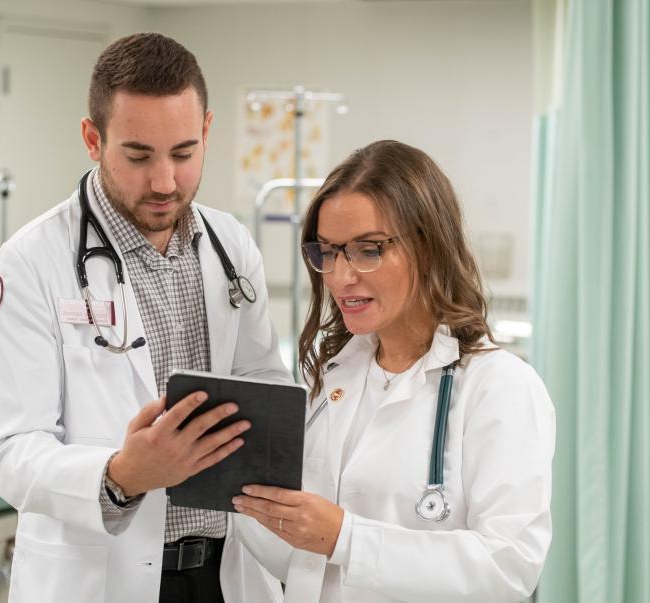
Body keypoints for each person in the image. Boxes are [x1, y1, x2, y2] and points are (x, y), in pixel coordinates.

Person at [0, 33, 288, 603]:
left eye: (185, 153)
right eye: (139, 156)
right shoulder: (28, 264)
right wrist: (123, 474)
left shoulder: (232, 246)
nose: (165, 182)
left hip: (227, 572)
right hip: (101, 578)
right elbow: (8, 452)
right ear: (93, 139)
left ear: (208, 132)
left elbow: (266, 383)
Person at [231, 140, 556, 601]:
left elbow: (508, 569)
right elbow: (303, 560)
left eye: (367, 250)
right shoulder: (330, 379)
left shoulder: (499, 388)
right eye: (328, 251)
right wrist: (243, 501)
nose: (341, 276)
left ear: (429, 247)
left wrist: (346, 538)